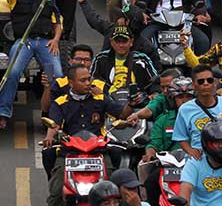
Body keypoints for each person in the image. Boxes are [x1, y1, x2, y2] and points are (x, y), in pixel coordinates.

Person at [44, 64, 131, 206]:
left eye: (88, 79)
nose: (88, 83)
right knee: (56, 193)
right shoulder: (60, 102)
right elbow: (55, 124)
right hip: (69, 153)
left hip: (98, 152)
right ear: (71, 83)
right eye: (82, 80)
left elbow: (122, 114)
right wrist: (49, 137)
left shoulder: (101, 98)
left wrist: (132, 103)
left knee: (114, 190)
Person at [0, 0, 62, 129]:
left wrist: (56, 39)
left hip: (45, 44)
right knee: (13, 73)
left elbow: (57, 23)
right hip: (23, 43)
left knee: (55, 75)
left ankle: (51, 115)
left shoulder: (48, 0)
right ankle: (4, 114)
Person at [140, 76, 196, 206]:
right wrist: (150, 152)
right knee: (150, 182)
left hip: (196, 164)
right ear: (172, 99)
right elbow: (155, 143)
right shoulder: (163, 120)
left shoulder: (202, 119)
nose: (184, 101)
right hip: (168, 166)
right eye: (180, 97)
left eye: (188, 97)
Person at [173, 64, 222, 158]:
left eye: (209, 80)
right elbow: (181, 137)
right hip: (199, 159)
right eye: (201, 81)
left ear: (215, 83)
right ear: (193, 85)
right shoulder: (185, 109)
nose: (206, 83)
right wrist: (190, 151)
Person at [90, 25, 158, 94]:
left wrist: (154, 93)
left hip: (136, 101)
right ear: (111, 42)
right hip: (107, 102)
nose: (121, 45)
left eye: (124, 41)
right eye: (117, 41)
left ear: (131, 42)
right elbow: (91, 81)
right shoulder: (100, 58)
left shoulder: (142, 59)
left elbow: (155, 81)